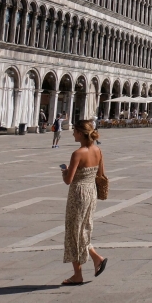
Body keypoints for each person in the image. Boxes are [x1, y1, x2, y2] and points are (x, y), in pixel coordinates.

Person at [61, 120, 108, 285]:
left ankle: (78, 274)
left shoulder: (78, 153)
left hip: (78, 193)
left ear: (81, 133)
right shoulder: (98, 150)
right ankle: (96, 259)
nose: (73, 134)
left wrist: (65, 171)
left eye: (74, 131)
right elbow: (101, 174)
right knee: (84, 228)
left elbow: (68, 180)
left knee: (74, 231)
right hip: (91, 192)